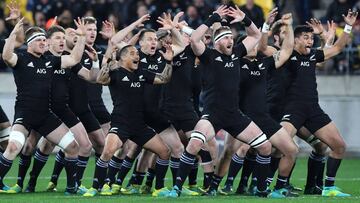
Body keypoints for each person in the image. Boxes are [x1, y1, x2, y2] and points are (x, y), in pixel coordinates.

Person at [168, 5, 272, 198]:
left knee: (265, 147)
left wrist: (245, 19)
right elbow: (196, 39)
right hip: (212, 114)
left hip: (234, 114)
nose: (230, 40)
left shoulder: (237, 53)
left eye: (231, 37)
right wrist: (213, 18)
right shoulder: (208, 55)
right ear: (216, 43)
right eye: (225, 38)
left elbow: (256, 36)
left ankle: (262, 190)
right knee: (193, 145)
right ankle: (176, 189)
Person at [0, 17, 86, 194]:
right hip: (25, 114)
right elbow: (6, 56)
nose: (42, 42)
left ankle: (71, 188)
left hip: (45, 115)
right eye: (38, 40)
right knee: (13, 147)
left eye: (43, 40)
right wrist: (14, 33)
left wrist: (82, 36)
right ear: (30, 44)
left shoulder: (50, 61)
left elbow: (75, 58)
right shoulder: (21, 59)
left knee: (73, 147)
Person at [280, 9, 358, 197]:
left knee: (339, 146)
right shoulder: (286, 55)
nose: (310, 41)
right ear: (296, 40)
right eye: (306, 38)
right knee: (282, 148)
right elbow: (278, 45)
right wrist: (285, 28)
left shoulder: (313, 55)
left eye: (311, 38)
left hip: (313, 110)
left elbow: (338, 48)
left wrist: (348, 26)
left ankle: (328, 187)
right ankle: (275, 187)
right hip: (291, 110)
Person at [82, 44, 173, 197]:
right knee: (108, 152)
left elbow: (164, 79)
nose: (137, 56)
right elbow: (100, 80)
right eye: (132, 53)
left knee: (165, 152)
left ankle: (159, 188)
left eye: (137, 53)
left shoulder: (142, 73)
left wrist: (169, 62)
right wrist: (106, 62)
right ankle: (96, 187)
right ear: (123, 58)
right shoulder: (116, 73)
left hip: (139, 125)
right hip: (120, 123)